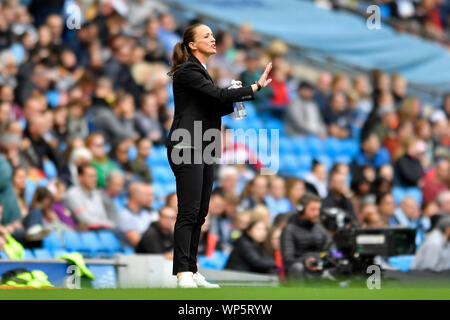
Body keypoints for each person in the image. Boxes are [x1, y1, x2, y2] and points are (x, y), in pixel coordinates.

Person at [165, 23, 272, 288]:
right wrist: (253, 87)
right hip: (187, 145)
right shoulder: (188, 69)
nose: (213, 39)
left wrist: (233, 97)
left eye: (213, 35)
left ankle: (192, 268)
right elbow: (218, 95)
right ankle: (182, 273)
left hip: (204, 146)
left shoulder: (201, 72)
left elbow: (213, 107)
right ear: (192, 45)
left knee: (200, 213)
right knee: (188, 211)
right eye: (206, 36)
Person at [280, 194, 331, 279]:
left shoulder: (320, 228)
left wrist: (331, 257)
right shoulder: (289, 230)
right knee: (297, 267)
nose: (317, 213)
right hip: (301, 269)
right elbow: (287, 259)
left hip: (320, 265)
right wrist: (305, 261)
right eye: (313, 209)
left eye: (318, 209)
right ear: (301, 209)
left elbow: (332, 249)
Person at [64, 163, 115, 230]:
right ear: (80, 177)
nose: (94, 179)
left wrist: (110, 224)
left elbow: (103, 216)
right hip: (83, 233)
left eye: (95, 176)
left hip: (102, 230)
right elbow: (85, 220)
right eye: (91, 176)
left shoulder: (97, 194)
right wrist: (108, 224)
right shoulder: (72, 194)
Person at [116, 182, 158, 247]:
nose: (151, 198)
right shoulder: (124, 215)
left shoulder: (146, 213)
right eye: (147, 195)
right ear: (135, 195)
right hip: (134, 255)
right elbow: (139, 244)